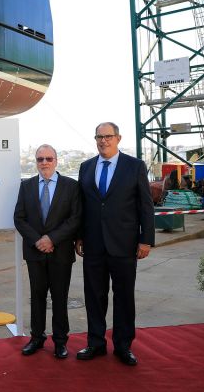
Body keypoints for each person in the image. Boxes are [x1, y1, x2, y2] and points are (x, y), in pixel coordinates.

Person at [75, 122, 155, 366]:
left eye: (108, 136)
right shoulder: (86, 167)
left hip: (124, 244)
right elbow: (81, 206)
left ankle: (123, 346)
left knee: (124, 298)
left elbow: (145, 205)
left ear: (118, 138)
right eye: (99, 136)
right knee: (94, 297)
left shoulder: (135, 166)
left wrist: (146, 239)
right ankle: (96, 343)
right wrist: (79, 236)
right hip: (93, 245)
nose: (103, 141)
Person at [14, 144, 82, 359]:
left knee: (60, 298)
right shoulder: (26, 186)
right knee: (37, 296)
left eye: (48, 158)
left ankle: (60, 341)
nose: (44, 162)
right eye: (40, 159)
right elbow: (19, 218)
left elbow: (75, 218)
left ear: (56, 161)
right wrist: (38, 240)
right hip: (35, 252)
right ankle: (36, 338)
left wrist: (51, 239)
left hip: (60, 252)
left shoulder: (71, 186)